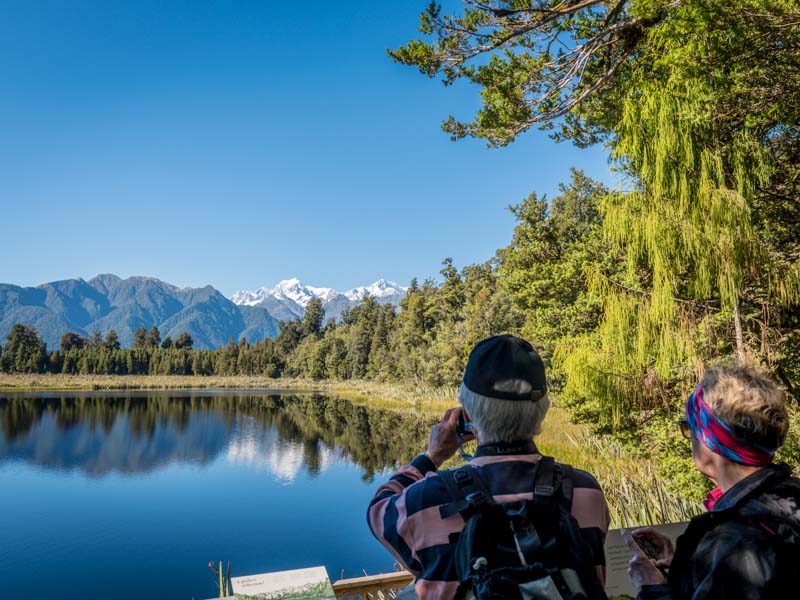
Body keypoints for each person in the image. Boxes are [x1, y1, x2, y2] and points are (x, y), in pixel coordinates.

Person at [367, 334, 610, 599]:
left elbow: (378, 509)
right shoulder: (587, 492)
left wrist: (431, 456)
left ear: (466, 416)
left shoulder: (423, 502)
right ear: (543, 411)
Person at [624, 364, 800, 599]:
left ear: (711, 441)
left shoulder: (736, 543)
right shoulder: (788, 498)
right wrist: (689, 564)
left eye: (689, 428)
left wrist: (653, 588)